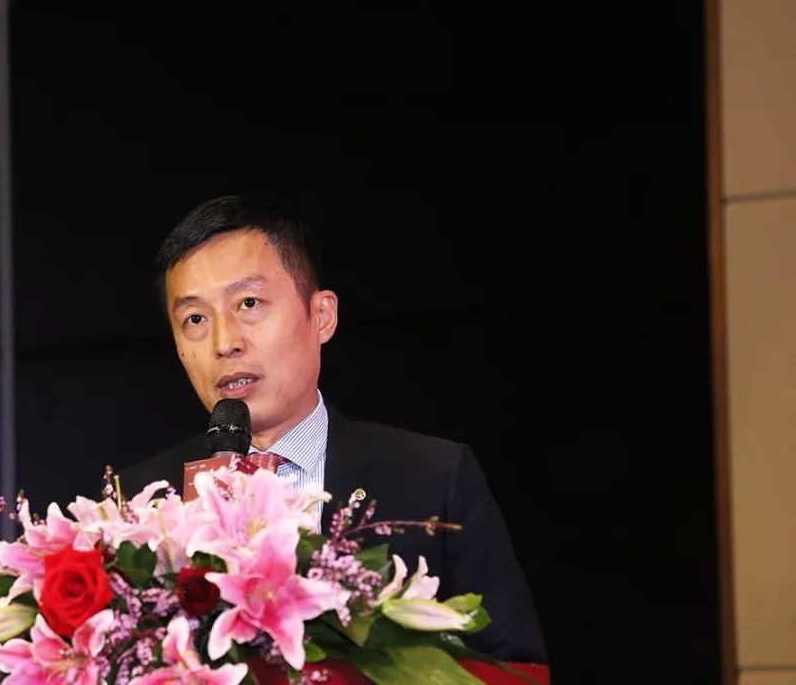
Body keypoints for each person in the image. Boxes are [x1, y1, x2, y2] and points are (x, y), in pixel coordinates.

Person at [122, 195, 547, 664]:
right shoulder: (138, 505)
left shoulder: (434, 480)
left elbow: (515, 668)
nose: (225, 342)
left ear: (322, 316)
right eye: (195, 319)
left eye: (249, 303)